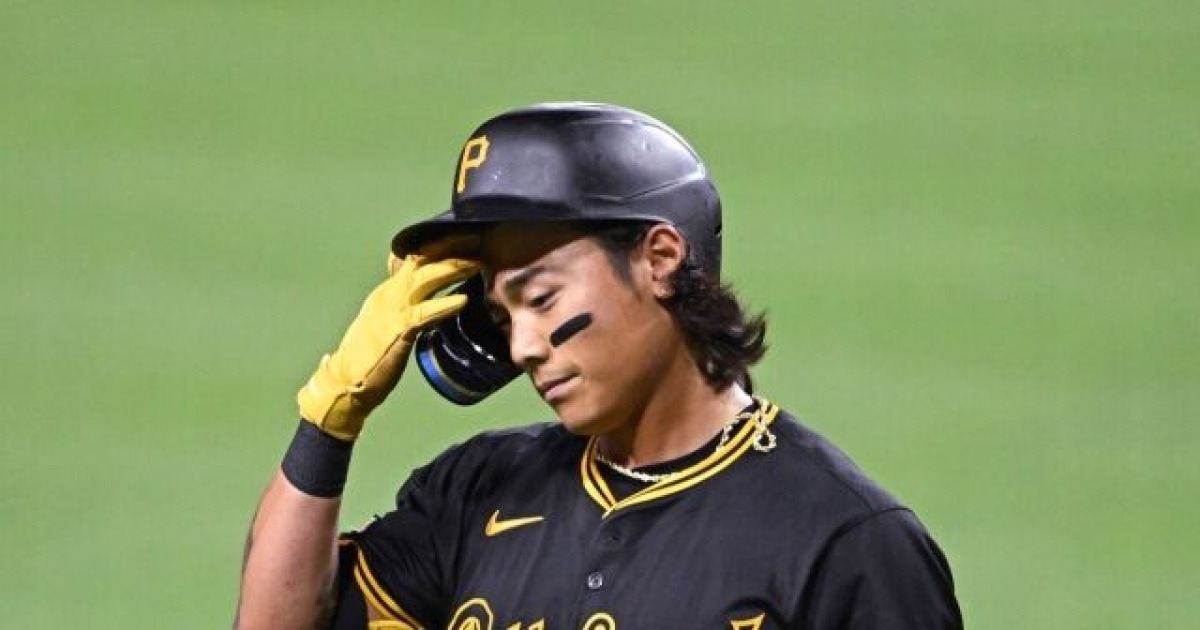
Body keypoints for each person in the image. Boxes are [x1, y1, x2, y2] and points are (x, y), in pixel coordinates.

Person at [235, 103, 962, 629]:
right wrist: (329, 421)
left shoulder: (844, 540)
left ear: (659, 259)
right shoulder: (476, 490)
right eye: (503, 316)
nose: (522, 346)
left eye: (542, 298)